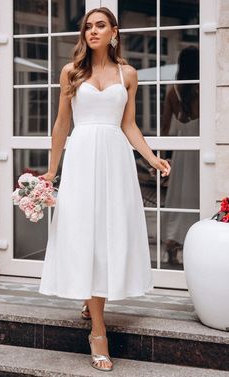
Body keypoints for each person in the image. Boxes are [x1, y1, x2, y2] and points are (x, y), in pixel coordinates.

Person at [39, 7, 171, 372]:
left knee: (108, 235)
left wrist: (152, 159)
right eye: (87, 27)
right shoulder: (72, 72)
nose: (92, 31)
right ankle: (98, 332)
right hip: (81, 160)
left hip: (115, 162)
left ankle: (93, 303)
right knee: (85, 233)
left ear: (114, 31)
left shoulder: (128, 73)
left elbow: (129, 125)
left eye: (100, 26)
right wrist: (52, 171)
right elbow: (61, 126)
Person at [161, 46, 199, 265]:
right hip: (199, 150)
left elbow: (165, 127)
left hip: (182, 152)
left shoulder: (173, 91)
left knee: (178, 197)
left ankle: (173, 244)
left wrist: (164, 157)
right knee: (196, 194)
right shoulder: (201, 89)